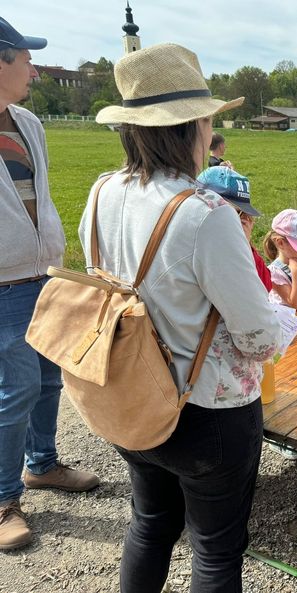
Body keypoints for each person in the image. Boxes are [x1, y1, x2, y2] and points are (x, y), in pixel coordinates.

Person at [85, 43, 282, 592]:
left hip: (131, 391)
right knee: (216, 554)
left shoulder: (101, 191)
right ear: (193, 125)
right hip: (206, 411)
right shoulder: (205, 213)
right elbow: (259, 336)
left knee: (149, 526)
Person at [0, 16, 99, 552]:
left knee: (49, 380)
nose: (34, 68)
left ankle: (43, 464)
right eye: (26, 57)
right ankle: (3, 499)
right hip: (3, 287)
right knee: (14, 392)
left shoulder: (29, 124)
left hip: (44, 277)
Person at [197, 165, 272, 291]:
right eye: (234, 213)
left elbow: (265, 286)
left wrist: (246, 246)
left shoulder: (237, 239)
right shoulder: (202, 243)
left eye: (243, 214)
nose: (240, 220)